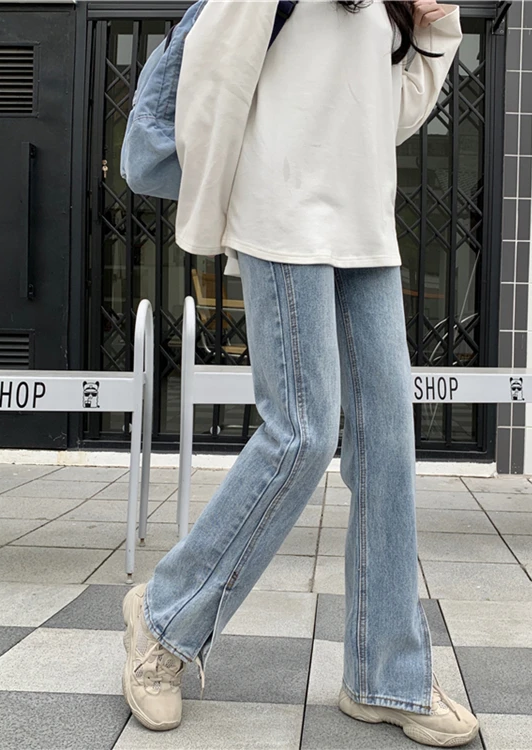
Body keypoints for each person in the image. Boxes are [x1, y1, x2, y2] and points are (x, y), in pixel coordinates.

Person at [121, 0, 479, 746]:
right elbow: (215, 78)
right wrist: (214, 216)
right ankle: (163, 621)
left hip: (365, 229)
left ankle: (386, 676)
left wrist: (435, 28)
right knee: (302, 435)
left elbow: (391, 113)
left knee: (388, 447)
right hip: (281, 217)